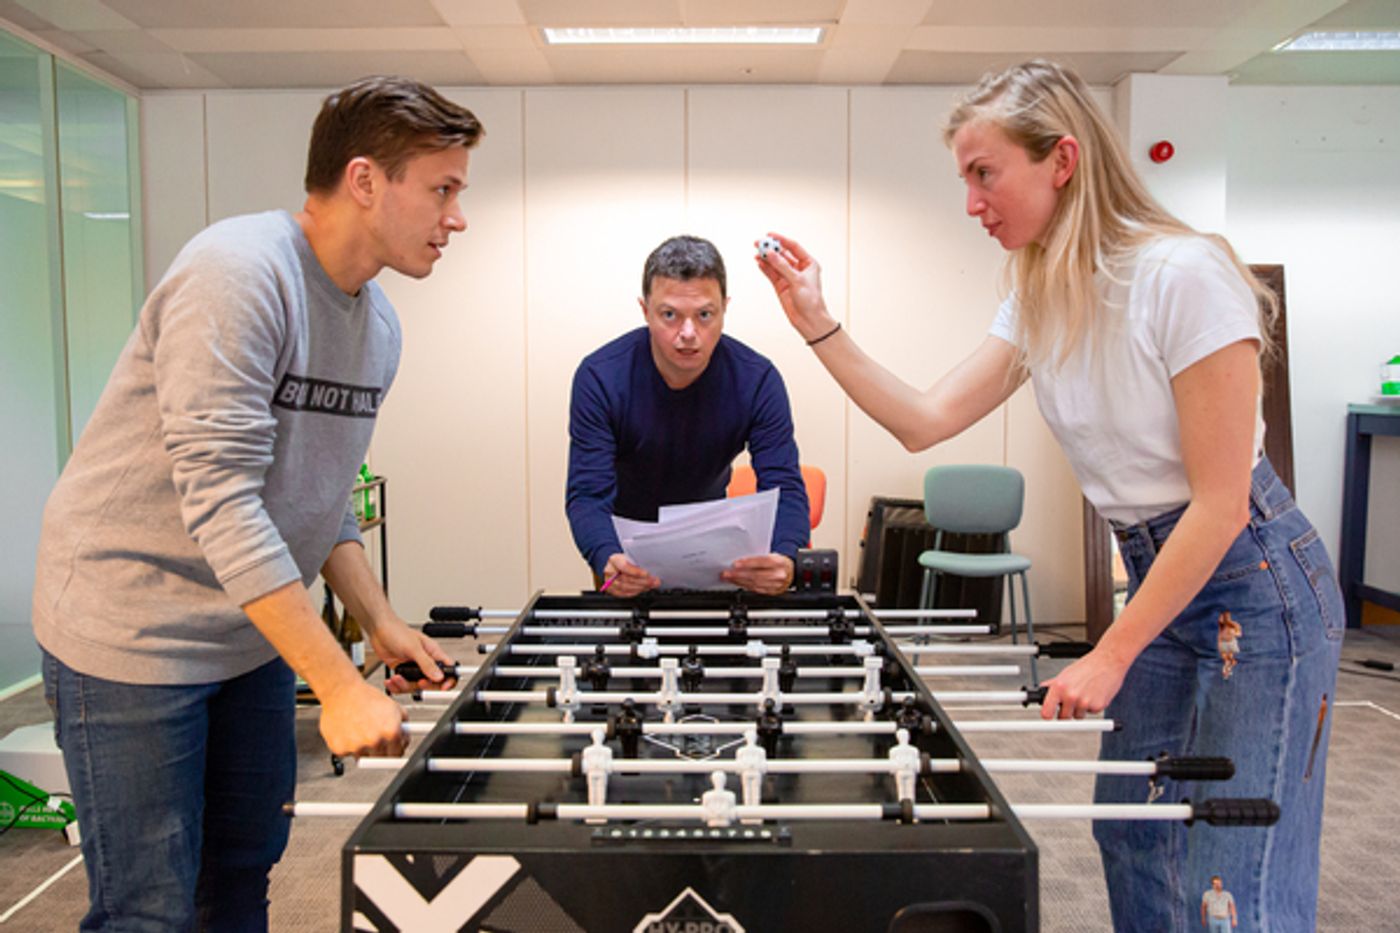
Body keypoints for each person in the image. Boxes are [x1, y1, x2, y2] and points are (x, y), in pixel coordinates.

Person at [755, 59, 1341, 932]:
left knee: (1228, 867)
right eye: (965, 178)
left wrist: (1109, 652)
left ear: (1061, 160)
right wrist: (817, 324)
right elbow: (923, 420)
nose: (971, 201)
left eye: (983, 173)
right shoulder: (1037, 295)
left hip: (1251, 583)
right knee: (1136, 835)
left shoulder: (1184, 275)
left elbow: (1219, 505)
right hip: (1161, 578)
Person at [32, 75, 482, 930]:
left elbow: (324, 498)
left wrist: (378, 620)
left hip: (247, 634)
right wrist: (339, 684)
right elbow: (225, 502)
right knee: (149, 908)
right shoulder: (237, 272)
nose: (456, 216)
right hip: (130, 630)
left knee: (240, 876)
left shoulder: (377, 325)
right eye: (443, 189)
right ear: (363, 180)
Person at [565, 235, 809, 597]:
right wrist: (605, 555)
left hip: (714, 548)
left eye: (705, 315)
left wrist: (787, 558)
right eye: (669, 315)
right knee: (623, 651)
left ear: (725, 309)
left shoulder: (757, 380)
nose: (688, 335)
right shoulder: (600, 377)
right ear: (645, 310)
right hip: (623, 551)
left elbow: (784, 485)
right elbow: (587, 493)